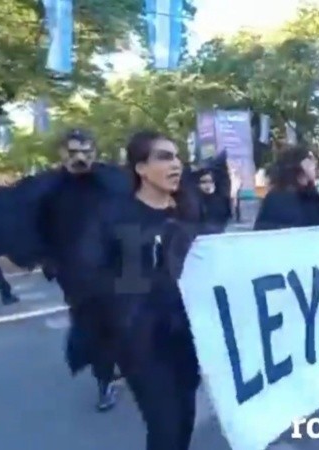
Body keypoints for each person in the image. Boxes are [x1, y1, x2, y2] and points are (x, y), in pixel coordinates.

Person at [70, 130, 206, 450]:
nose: (176, 164)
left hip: (187, 339)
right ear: (141, 169)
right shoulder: (117, 216)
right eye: (164, 157)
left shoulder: (188, 212)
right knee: (166, 430)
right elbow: (94, 279)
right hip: (142, 344)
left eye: (177, 157)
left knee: (185, 420)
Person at [35, 128, 133, 412]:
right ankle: (104, 380)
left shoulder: (113, 181)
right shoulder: (48, 189)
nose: (80, 157)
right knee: (93, 328)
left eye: (86, 151)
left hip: (117, 268)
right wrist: (47, 259)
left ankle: (119, 363)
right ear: (62, 153)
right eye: (73, 151)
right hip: (76, 275)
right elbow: (38, 228)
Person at [254, 147, 319, 231]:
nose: (315, 164)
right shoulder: (279, 197)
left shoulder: (310, 196)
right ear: (299, 164)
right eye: (310, 159)